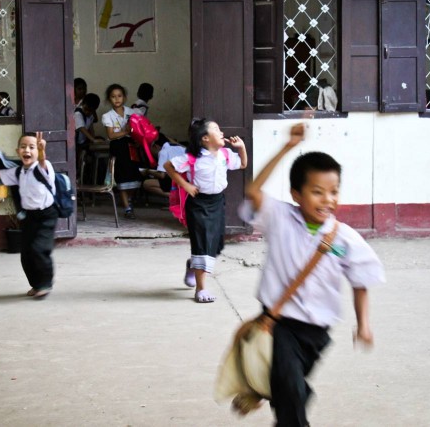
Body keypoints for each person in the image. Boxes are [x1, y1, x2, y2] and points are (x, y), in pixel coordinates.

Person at [241, 122, 385, 426]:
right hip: (278, 323)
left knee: (289, 387)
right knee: (289, 389)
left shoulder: (343, 237)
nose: (327, 200)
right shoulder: (279, 217)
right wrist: (287, 146)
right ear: (296, 194)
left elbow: (361, 282)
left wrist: (364, 324)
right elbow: (253, 190)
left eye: (333, 192)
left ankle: (292, 394)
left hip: (317, 332)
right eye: (317, 192)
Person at [164, 119, 247, 303]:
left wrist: (241, 148)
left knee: (212, 243)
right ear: (205, 139)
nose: (221, 132)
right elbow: (169, 166)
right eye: (216, 129)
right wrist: (185, 185)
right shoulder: (192, 158)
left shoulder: (225, 154)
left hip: (217, 202)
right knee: (201, 242)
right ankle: (201, 290)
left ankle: (193, 265)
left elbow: (242, 164)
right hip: (198, 204)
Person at [0, 132, 58, 299]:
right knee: (26, 254)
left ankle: (46, 284)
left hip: (47, 215)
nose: (27, 150)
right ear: (18, 151)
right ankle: (36, 284)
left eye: (32, 147)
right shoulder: (18, 172)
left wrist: (42, 151)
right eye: (24, 147)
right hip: (30, 217)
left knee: (39, 249)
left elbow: (41, 160)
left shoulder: (43, 166)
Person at [102, 83, 143, 219]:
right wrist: (125, 131)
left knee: (135, 178)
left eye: (119, 96)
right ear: (109, 99)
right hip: (118, 149)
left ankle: (129, 201)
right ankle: (127, 208)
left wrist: (135, 139)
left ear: (124, 97)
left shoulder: (132, 113)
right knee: (122, 178)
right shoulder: (107, 116)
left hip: (131, 147)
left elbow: (137, 131)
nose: (117, 99)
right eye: (113, 97)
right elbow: (111, 135)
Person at [142, 133, 185, 198]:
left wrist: (147, 171)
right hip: (188, 181)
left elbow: (162, 175)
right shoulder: (181, 148)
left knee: (147, 184)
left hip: (177, 182)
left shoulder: (163, 152)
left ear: (155, 146)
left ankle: (175, 198)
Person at [74, 93, 103, 178]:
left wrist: (93, 139)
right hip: (76, 143)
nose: (87, 112)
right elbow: (82, 128)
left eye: (90, 111)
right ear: (83, 104)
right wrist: (93, 140)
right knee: (77, 162)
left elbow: (90, 127)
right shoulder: (78, 113)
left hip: (83, 142)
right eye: (86, 109)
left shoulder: (91, 115)